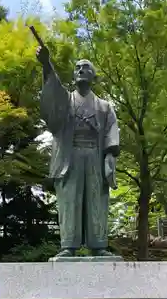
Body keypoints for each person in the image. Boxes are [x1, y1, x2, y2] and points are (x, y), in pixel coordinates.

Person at [36, 45, 120, 258]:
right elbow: (52, 92)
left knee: (96, 199)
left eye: (86, 67)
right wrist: (46, 65)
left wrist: (110, 156)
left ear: (93, 76)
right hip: (69, 155)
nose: (81, 70)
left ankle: (98, 245)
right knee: (69, 199)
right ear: (74, 75)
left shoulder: (104, 106)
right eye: (77, 68)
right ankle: (68, 246)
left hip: (95, 154)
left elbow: (111, 130)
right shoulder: (66, 100)